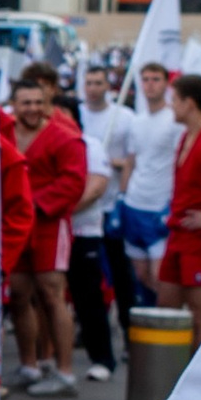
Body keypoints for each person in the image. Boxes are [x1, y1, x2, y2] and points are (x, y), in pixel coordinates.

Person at [6, 60, 90, 394]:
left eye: (38, 103)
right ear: (14, 104)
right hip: (15, 226)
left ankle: (65, 372)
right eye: (26, 103)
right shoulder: (3, 131)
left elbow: (74, 181)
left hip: (48, 226)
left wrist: (34, 204)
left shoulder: (63, 137)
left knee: (52, 294)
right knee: (17, 294)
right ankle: (29, 365)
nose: (32, 109)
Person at [161, 71, 201, 352]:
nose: (171, 106)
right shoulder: (189, 136)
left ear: (189, 103)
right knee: (166, 309)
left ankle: (198, 384)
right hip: (179, 236)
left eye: (174, 100)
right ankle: (166, 377)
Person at [68, 58, 121, 375]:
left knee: (88, 296)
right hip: (49, 235)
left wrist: (58, 211)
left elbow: (97, 187)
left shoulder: (90, 146)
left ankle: (103, 359)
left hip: (84, 232)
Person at [111, 59, 181, 293]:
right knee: (141, 275)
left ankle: (168, 324)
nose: (150, 85)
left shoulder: (174, 121)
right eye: (146, 80)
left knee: (159, 276)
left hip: (159, 206)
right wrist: (121, 197)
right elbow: (131, 161)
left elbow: (181, 163)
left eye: (156, 79)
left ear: (166, 84)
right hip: (133, 204)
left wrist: (174, 203)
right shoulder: (137, 121)